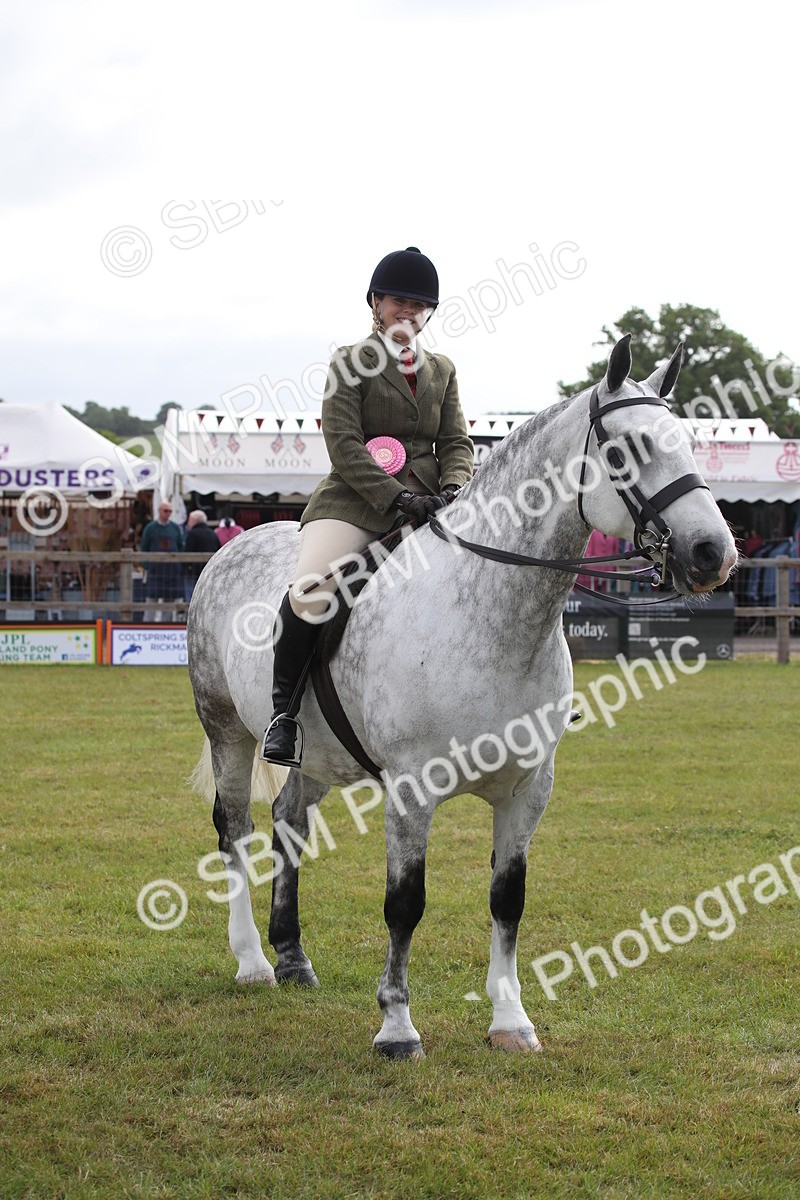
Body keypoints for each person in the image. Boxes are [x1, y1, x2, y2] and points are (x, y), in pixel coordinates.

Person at [261, 246, 475, 766]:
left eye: (419, 304)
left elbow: (456, 443)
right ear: (376, 304)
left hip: (430, 503)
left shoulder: (442, 370)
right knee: (312, 591)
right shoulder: (348, 362)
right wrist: (394, 496)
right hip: (356, 502)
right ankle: (283, 716)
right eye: (398, 300)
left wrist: (453, 488)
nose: (408, 311)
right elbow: (344, 444)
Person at [141, 501, 183, 621]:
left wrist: (178, 565)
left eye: (170, 511)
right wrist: (147, 565)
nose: (168, 513)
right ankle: (147, 625)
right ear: (159, 511)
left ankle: (166, 625)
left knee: (169, 600)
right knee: (151, 599)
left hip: (171, 571)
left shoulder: (175, 528)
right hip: (155, 570)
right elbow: (144, 547)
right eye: (166, 511)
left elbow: (180, 546)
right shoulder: (150, 528)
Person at [183, 509, 220, 603]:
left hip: (193, 572)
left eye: (189, 520)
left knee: (191, 598)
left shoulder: (192, 534)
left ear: (194, 521)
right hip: (209, 571)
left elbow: (187, 552)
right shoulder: (213, 534)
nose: (188, 522)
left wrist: (185, 568)